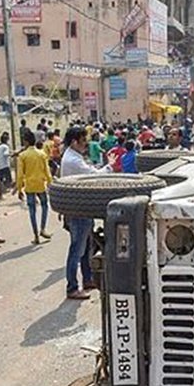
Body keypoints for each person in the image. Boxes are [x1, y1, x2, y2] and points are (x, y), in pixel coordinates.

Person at [60, 126, 115, 300]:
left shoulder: (73, 156)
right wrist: (110, 166)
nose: (86, 145)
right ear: (75, 142)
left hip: (80, 208)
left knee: (86, 247)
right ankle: (72, 287)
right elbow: (94, 176)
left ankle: (88, 279)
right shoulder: (73, 161)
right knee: (77, 250)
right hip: (79, 211)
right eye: (83, 141)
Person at [16, 129, 53, 245]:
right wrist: (49, 182)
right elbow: (47, 170)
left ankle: (36, 235)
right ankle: (43, 228)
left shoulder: (22, 156)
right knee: (44, 206)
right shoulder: (42, 154)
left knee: (32, 211)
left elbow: (20, 174)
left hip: (29, 186)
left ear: (26, 142)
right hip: (40, 184)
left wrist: (19, 188)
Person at [0, 132, 12, 199]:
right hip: (5, 165)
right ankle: (5, 190)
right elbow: (6, 154)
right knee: (8, 178)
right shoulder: (5, 146)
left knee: (0, 179)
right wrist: (12, 154)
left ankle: (0, 193)